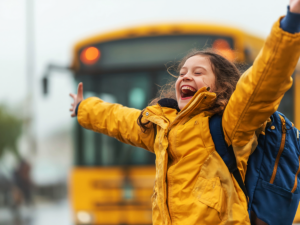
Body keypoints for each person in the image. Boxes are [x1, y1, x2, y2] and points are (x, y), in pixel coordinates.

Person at [69, 1, 300, 224]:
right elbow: (120, 120)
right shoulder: (161, 128)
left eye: (198, 73)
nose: (186, 76)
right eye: (182, 73)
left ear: (222, 88)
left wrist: (290, 25)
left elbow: (263, 82)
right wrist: (84, 108)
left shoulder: (229, 125)